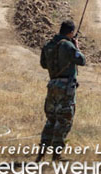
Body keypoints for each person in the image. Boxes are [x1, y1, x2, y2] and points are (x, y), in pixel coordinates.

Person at [37, 20, 86, 162]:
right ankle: (56, 156)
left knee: (51, 120)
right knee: (63, 120)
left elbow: (44, 64)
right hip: (66, 88)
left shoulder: (48, 45)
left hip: (52, 85)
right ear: (70, 33)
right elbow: (82, 60)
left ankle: (41, 154)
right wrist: (76, 48)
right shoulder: (67, 45)